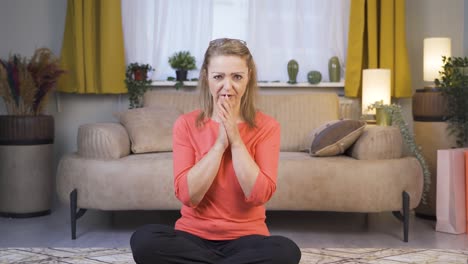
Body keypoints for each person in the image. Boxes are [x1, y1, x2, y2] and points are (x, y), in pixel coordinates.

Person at [130, 38, 301, 264]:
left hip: (247, 239)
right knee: (144, 240)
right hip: (192, 238)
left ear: (248, 77)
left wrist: (235, 138)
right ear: (206, 77)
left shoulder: (267, 127)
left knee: (286, 251)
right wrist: (220, 144)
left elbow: (259, 195)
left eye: (237, 77)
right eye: (218, 76)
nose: (227, 87)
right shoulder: (186, 124)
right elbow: (188, 196)